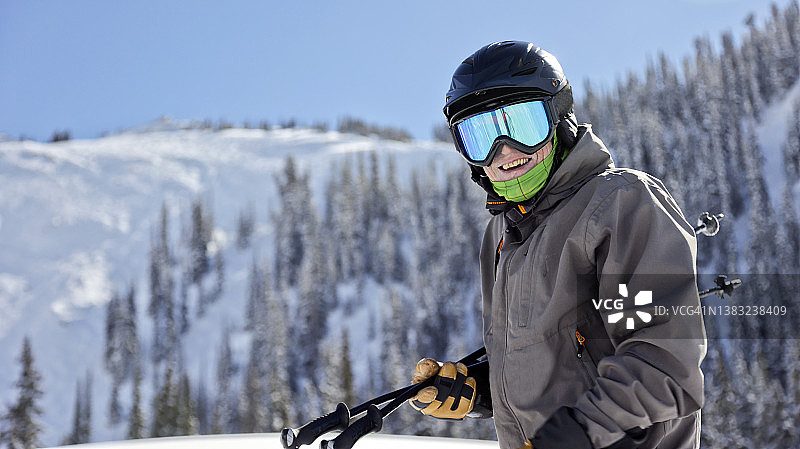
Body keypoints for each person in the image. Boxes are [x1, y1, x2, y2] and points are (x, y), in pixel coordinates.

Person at [408, 41, 707, 449]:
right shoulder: (501, 235)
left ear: (559, 119)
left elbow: (663, 366)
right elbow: (562, 363)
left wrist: (572, 437)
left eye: (521, 124)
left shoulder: (620, 202)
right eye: (480, 136)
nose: (504, 151)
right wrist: (480, 390)